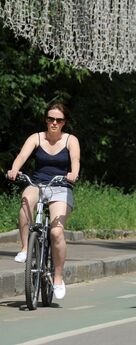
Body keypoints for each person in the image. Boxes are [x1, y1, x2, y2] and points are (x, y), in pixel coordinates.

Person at [6, 103, 80, 300]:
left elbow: (76, 161)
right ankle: (24, 248)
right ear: (46, 120)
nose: (54, 123)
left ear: (64, 122)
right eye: (50, 119)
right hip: (38, 183)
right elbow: (22, 156)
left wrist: (73, 174)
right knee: (25, 200)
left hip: (61, 186)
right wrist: (14, 170)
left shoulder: (70, 140)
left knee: (56, 232)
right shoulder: (36, 137)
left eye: (59, 120)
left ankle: (57, 277)